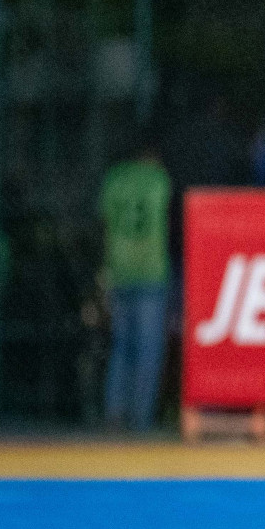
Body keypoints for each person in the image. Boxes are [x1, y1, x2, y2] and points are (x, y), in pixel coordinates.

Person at [99, 138, 172, 431]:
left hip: (119, 270)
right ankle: (142, 417)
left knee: (121, 346)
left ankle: (114, 411)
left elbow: (103, 223)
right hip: (151, 271)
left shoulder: (114, 179)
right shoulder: (159, 179)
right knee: (149, 348)